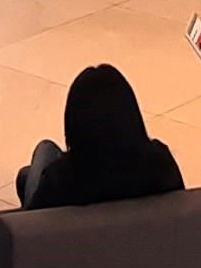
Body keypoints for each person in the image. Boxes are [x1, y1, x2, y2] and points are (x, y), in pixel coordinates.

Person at [15, 64, 187, 210]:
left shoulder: (61, 179)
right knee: (30, 170)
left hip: (74, 244)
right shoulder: (160, 163)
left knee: (42, 152)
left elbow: (33, 222)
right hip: (147, 245)